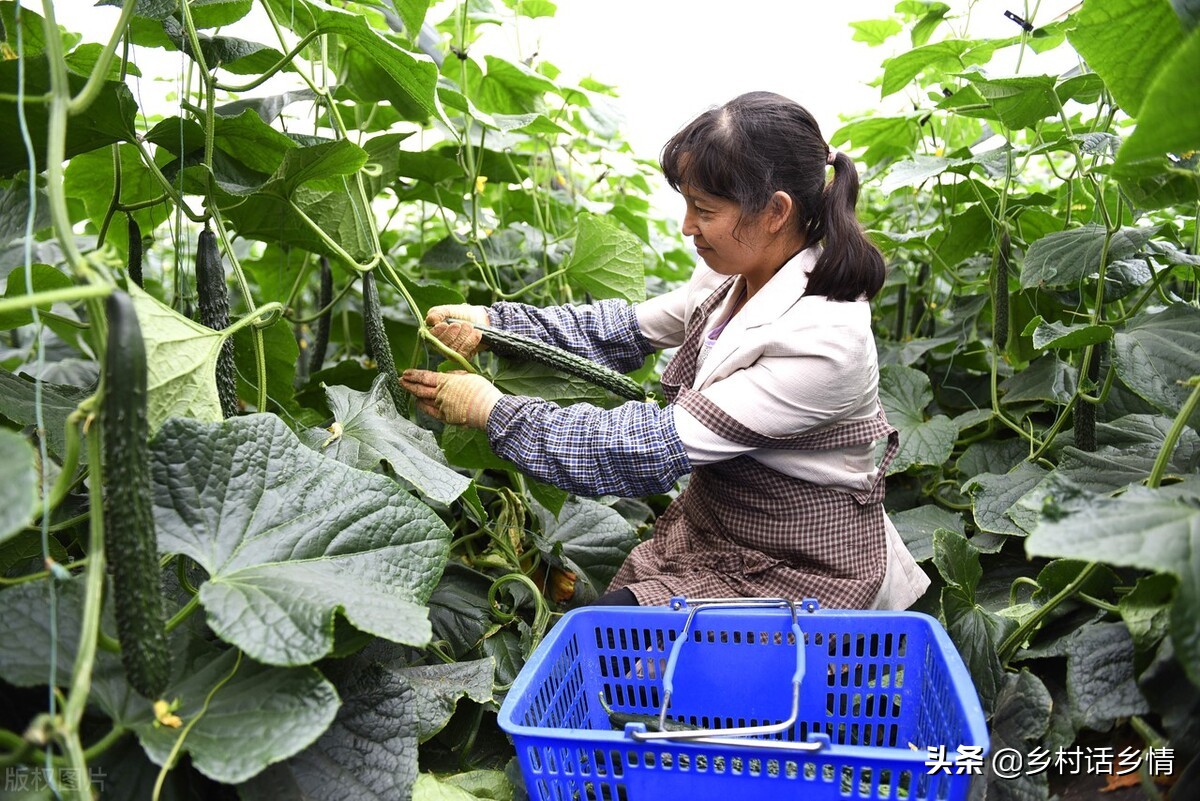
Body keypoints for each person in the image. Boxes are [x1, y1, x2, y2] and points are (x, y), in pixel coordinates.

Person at [400, 91, 929, 610]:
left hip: (798, 569)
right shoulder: (736, 273)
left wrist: (490, 410)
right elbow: (621, 329)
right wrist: (495, 324)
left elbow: (642, 448)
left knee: (614, 647)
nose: (687, 226)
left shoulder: (826, 342)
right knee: (620, 652)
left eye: (703, 208)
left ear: (775, 211)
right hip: (718, 531)